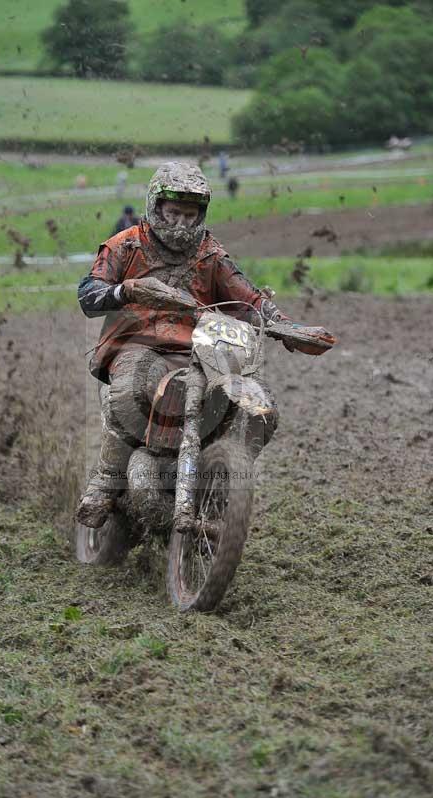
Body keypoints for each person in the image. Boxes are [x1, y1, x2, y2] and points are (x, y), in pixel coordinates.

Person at [76, 162, 334, 529]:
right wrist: (128, 289)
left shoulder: (210, 255)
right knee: (132, 387)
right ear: (156, 206)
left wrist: (287, 327)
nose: (181, 222)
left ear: (202, 214)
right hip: (137, 345)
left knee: (255, 403)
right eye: (173, 212)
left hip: (201, 351)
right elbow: (89, 294)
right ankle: (105, 481)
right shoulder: (126, 244)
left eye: (189, 214)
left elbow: (250, 301)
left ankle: (225, 475)